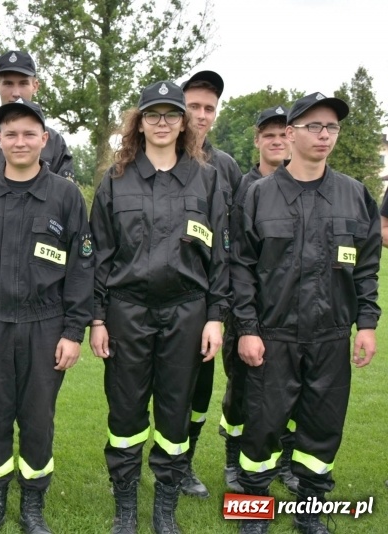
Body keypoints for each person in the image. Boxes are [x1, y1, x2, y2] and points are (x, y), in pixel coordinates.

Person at [0, 98, 92, 534]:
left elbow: (81, 268)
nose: (20, 141)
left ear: (45, 140)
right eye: (11, 133)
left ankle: (32, 507)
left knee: (37, 418)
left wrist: (72, 331)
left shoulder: (65, 196)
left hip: (45, 324)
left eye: (30, 133)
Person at [232, 93, 380, 534]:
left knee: (321, 429)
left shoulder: (354, 196)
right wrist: (247, 329)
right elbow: (240, 269)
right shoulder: (259, 196)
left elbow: (367, 266)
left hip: (331, 335)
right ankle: (253, 511)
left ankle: (310, 511)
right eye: (314, 126)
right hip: (272, 336)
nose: (324, 135)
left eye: (331, 127)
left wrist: (367, 325)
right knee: (260, 429)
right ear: (292, 131)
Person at [90, 81, 230, 534]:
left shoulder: (207, 178)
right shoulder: (115, 179)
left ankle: (164, 508)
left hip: (187, 311)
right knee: (126, 413)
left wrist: (215, 317)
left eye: (172, 114)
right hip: (127, 311)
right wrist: (97, 317)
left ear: (184, 122)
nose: (164, 122)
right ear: (140, 122)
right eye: (154, 114)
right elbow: (99, 256)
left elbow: (222, 257)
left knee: (174, 411)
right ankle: (126, 506)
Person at [220, 105, 298, 495]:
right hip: (246, 313)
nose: (277, 140)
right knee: (243, 390)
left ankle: (284, 459)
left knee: (289, 393)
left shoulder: (298, 185)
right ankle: (235, 459)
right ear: (257, 140)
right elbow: (236, 256)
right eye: (269, 134)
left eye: (284, 133)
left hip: (290, 315)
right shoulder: (244, 188)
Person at [178, 69, 242, 499]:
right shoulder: (154, 157)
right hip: (152, 301)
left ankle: (183, 464)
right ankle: (130, 469)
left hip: (205, 302)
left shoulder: (226, 167)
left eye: (209, 108)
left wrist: (220, 306)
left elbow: (232, 239)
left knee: (198, 388)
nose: (201, 115)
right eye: (194, 106)